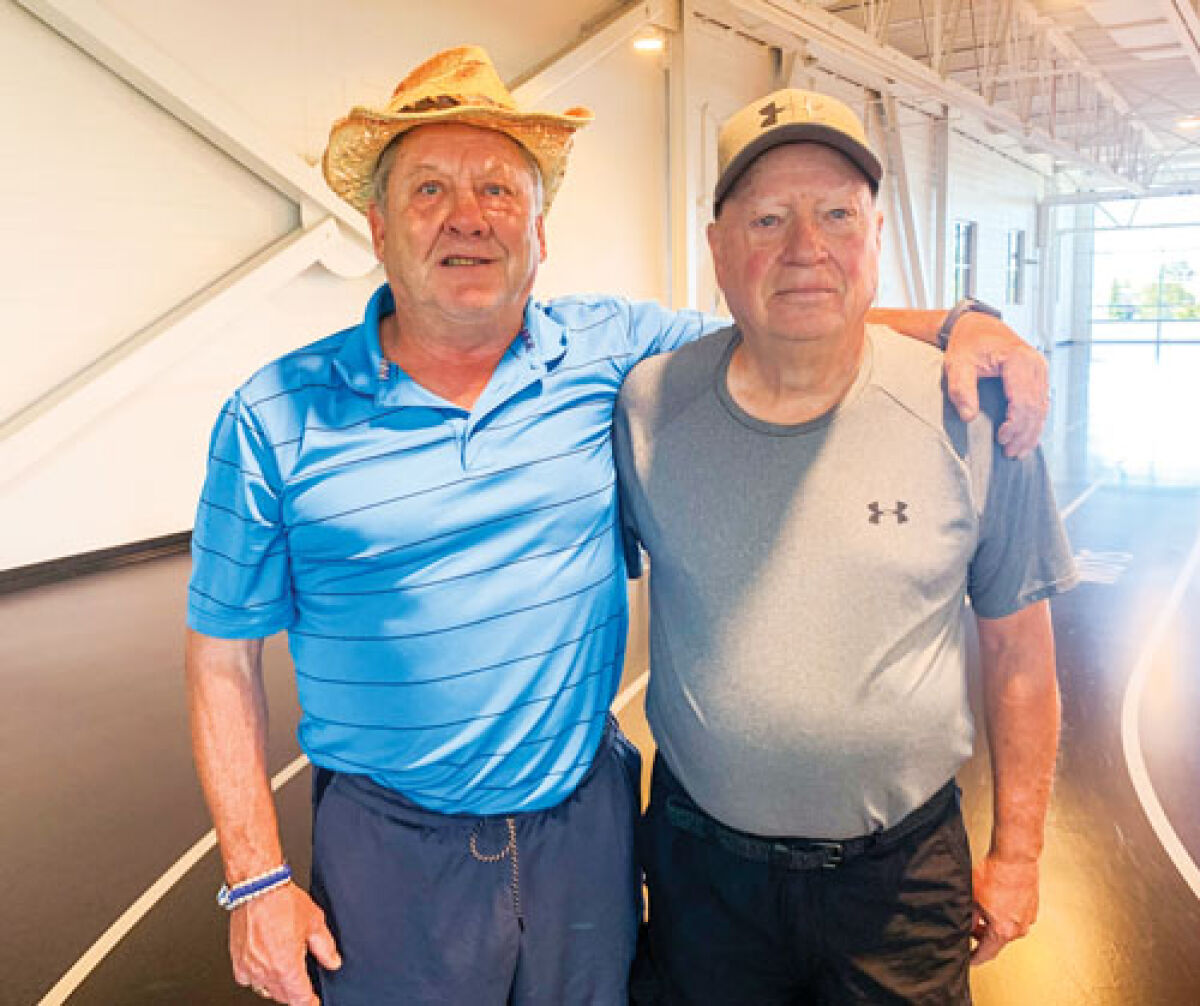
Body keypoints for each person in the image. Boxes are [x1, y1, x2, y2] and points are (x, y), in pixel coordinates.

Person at [185, 47, 1052, 1006]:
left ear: (541, 232)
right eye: (429, 188)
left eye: (498, 191)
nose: (467, 216)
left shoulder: (610, 358)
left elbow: (792, 301)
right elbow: (221, 659)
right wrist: (256, 876)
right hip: (391, 847)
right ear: (378, 226)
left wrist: (965, 320)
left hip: (583, 839)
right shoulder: (272, 417)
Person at [614, 87, 1078, 1005]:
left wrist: (1018, 854)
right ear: (717, 248)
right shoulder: (648, 406)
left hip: (901, 887)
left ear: (873, 235)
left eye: (835, 214)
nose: (804, 248)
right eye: (769, 218)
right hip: (705, 880)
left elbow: (1020, 653)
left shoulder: (972, 414)